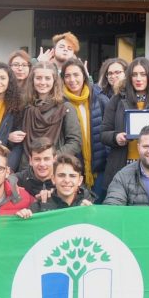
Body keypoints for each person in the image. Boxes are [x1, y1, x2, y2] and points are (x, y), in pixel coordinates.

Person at [100, 58, 149, 189]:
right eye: (134, 74)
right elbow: (104, 133)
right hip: (122, 164)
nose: (138, 79)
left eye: (143, 74)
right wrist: (116, 137)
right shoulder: (117, 99)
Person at [61, 57, 109, 197]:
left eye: (76, 74)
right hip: (72, 169)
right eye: (67, 76)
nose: (72, 79)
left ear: (84, 76)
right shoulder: (59, 103)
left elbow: (109, 130)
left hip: (99, 168)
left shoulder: (100, 99)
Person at [22, 62, 82, 160]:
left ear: (54, 81)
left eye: (47, 78)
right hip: (27, 166)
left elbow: (75, 142)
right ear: (32, 80)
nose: (42, 82)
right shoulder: (25, 107)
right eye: (38, 78)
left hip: (54, 166)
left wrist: (51, 158)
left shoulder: (65, 107)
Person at [16, 138, 56, 203]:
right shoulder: (20, 179)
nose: (42, 164)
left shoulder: (63, 178)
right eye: (37, 159)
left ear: (54, 159)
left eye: (46, 159)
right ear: (30, 160)